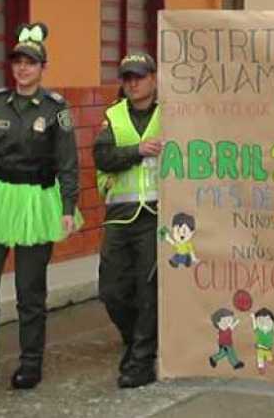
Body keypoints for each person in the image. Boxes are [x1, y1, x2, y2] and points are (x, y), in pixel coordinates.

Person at [0, 22, 80, 395]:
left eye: (30, 63)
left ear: (42, 68)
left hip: (37, 202)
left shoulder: (56, 109)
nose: (22, 68)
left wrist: (68, 205)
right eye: (18, 62)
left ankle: (30, 363)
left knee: (30, 290)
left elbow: (68, 163)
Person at [94, 52, 161, 388]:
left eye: (139, 76)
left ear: (154, 77)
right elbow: (102, 156)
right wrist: (138, 150)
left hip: (157, 214)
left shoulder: (173, 114)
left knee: (148, 289)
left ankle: (142, 361)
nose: (133, 83)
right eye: (127, 78)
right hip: (120, 215)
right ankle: (135, 337)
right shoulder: (113, 115)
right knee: (111, 290)